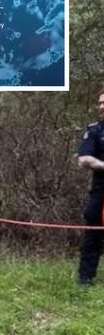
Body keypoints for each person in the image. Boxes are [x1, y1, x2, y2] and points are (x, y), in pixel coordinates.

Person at [76, 90, 104, 286]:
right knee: (92, 234)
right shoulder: (95, 130)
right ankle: (85, 279)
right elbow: (84, 159)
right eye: (100, 103)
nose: (101, 107)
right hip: (100, 192)